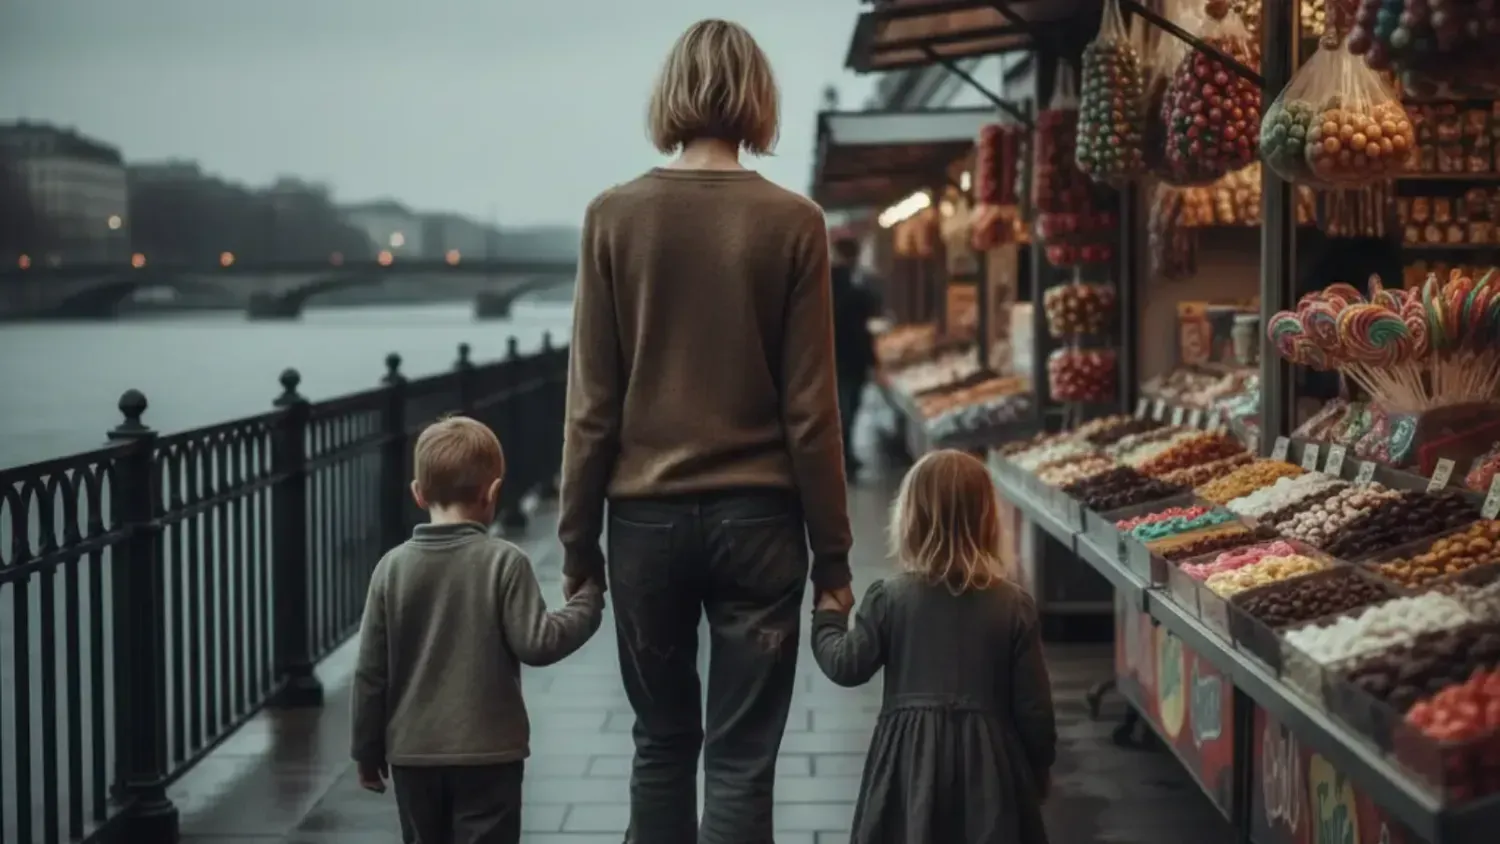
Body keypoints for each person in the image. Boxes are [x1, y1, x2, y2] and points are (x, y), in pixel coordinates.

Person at [557, 18, 855, 844]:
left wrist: (579, 546)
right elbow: (812, 411)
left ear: (671, 95)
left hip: (645, 523)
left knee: (659, 743)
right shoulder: (793, 221)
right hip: (760, 525)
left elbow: (592, 406)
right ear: (758, 98)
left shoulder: (612, 217)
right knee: (741, 759)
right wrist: (833, 560)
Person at [352, 416, 604, 844]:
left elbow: (371, 672)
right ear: (492, 493)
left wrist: (366, 750)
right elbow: (538, 642)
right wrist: (588, 603)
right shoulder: (504, 562)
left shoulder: (391, 568)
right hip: (489, 753)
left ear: (418, 493)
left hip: (414, 755)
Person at [811, 449, 1056, 844]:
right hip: (990, 769)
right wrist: (1037, 770)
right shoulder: (1013, 605)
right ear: (988, 520)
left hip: (908, 766)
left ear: (909, 519)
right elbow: (1035, 710)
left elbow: (845, 665)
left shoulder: (889, 599)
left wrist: (828, 617)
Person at [830, 235, 879, 477]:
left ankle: (844, 457)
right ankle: (844, 459)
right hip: (848, 358)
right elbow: (863, 316)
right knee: (848, 409)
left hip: (835, 358)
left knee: (845, 409)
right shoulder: (848, 282)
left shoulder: (829, 280)